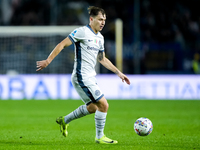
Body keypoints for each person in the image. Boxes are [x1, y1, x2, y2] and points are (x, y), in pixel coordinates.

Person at [36, 6, 130, 144]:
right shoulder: (82, 32)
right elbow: (62, 44)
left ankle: (64, 120)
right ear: (91, 19)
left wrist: (119, 73)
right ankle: (99, 137)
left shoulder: (100, 38)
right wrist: (48, 60)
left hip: (90, 77)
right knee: (104, 105)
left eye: (104, 20)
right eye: (100, 19)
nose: (103, 22)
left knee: (93, 107)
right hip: (81, 76)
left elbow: (102, 59)